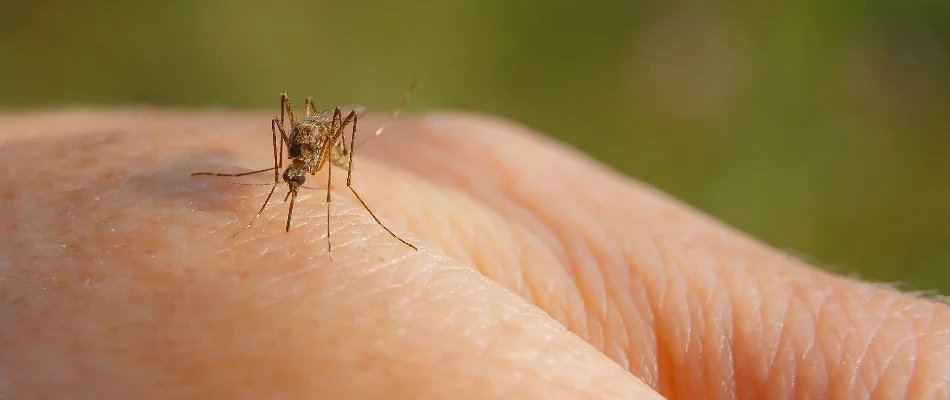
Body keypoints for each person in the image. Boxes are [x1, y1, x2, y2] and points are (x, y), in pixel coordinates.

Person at [1, 110, 947, 399]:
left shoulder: (325, 155)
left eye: (296, 163)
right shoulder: (284, 157)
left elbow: (329, 146)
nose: (296, 168)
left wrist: (334, 184)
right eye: (295, 162)